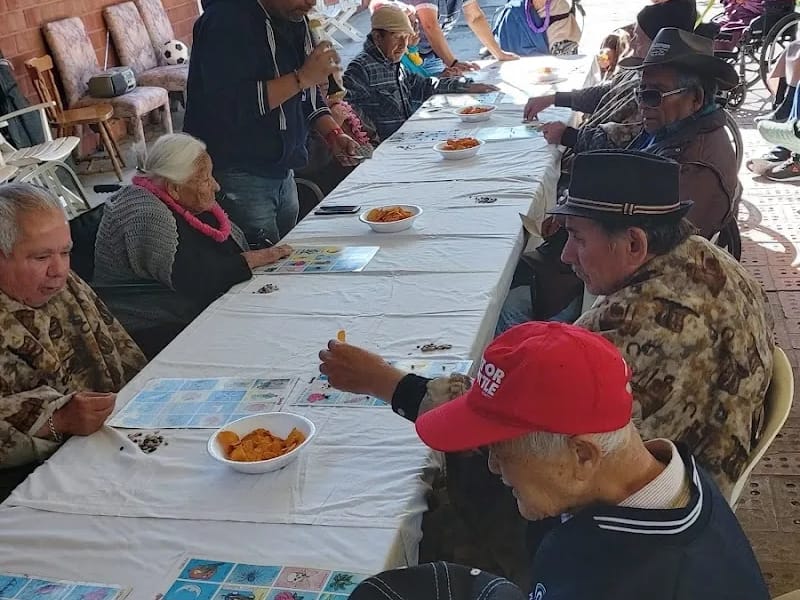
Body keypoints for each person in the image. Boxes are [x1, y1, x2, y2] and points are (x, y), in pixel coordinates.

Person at [319, 152, 773, 580]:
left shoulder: (644, 320)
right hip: (689, 488)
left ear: (634, 242)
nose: (565, 256)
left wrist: (391, 384)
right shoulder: (705, 257)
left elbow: (527, 417)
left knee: (425, 509)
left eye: (577, 237)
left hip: (642, 520)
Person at [349, 323, 770, 600]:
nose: (494, 466)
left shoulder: (648, 580)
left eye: (502, 450)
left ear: (584, 455)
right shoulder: (671, 478)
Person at [504, 27, 741, 327]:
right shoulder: (673, 127)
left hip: (603, 283)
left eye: (653, 94)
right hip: (593, 256)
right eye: (640, 92)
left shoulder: (694, 169)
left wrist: (574, 226)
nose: (643, 103)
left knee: (504, 308)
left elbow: (645, 257)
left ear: (695, 98)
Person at [0, 183, 146, 497]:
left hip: (109, 448)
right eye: (40, 257)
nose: (60, 271)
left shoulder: (62, 284)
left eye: (65, 252)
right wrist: (58, 420)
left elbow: (118, 350)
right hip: (33, 485)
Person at [93, 134, 292, 358]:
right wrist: (253, 259)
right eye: (206, 179)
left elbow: (227, 249)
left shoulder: (184, 200)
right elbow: (195, 278)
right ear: (174, 188)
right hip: (153, 324)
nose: (216, 186)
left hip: (188, 307)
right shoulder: (145, 213)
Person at [184, 0, 363, 248]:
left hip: (284, 169)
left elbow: (306, 96)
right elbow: (229, 106)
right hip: (238, 173)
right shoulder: (225, 22)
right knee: (261, 271)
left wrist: (332, 133)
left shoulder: (294, 19)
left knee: (287, 262)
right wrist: (302, 77)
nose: (311, 3)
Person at [523, 0, 697, 152]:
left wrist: (568, 135)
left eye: (638, 38)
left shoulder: (658, 88)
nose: (632, 43)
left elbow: (624, 141)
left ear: (657, 44)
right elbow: (610, 94)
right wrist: (555, 99)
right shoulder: (640, 70)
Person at [344, 4, 499, 141]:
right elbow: (348, 112)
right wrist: (373, 140)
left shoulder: (393, 62)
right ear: (378, 37)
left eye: (406, 38)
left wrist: (465, 86)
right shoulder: (360, 68)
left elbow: (423, 85)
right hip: (386, 145)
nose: (403, 46)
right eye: (397, 37)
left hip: (405, 136)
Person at [408, 0, 519, 76]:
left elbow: (475, 17)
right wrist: (453, 63)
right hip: (405, 57)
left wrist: (499, 54)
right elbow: (430, 26)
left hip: (430, 55)